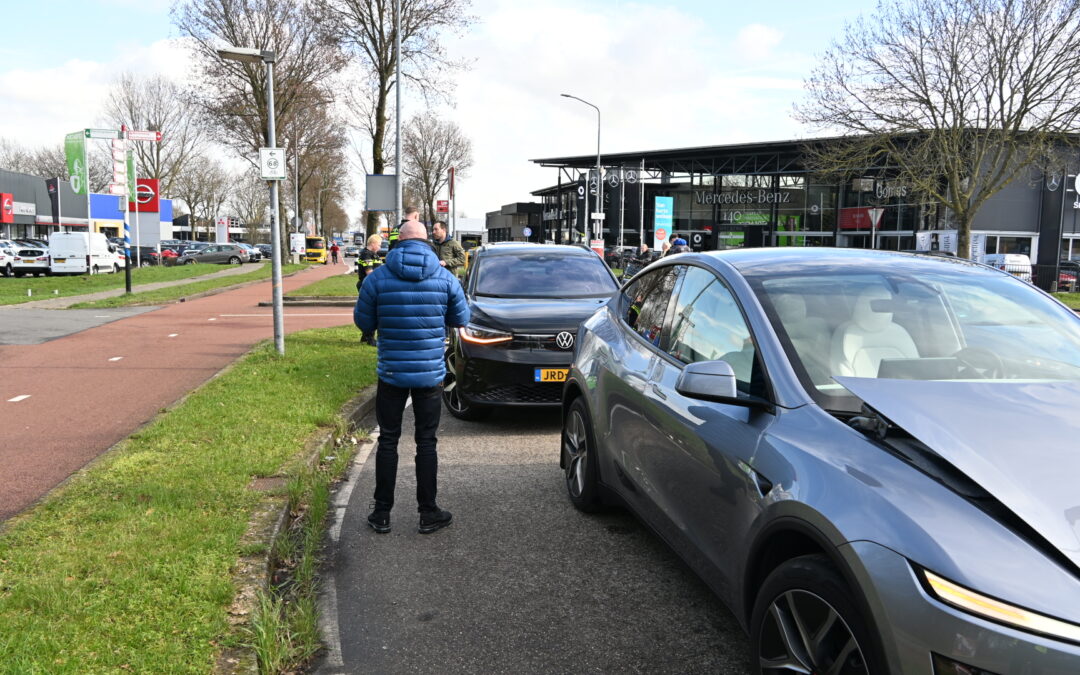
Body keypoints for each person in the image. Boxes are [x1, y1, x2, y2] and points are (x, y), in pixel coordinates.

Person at [354, 221, 470, 535]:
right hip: (429, 374)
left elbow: (364, 322)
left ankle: (381, 513)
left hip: (391, 372)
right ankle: (428, 512)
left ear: (399, 241)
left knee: (388, 440)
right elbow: (461, 318)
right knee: (426, 442)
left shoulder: (377, 278)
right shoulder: (445, 278)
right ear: (426, 241)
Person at [355, 234, 383, 346]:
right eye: (379, 244)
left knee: (371, 310)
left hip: (371, 285)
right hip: (367, 285)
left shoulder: (373, 255)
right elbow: (369, 273)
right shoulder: (366, 255)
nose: (380, 247)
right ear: (373, 243)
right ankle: (369, 337)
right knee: (371, 311)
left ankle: (366, 336)